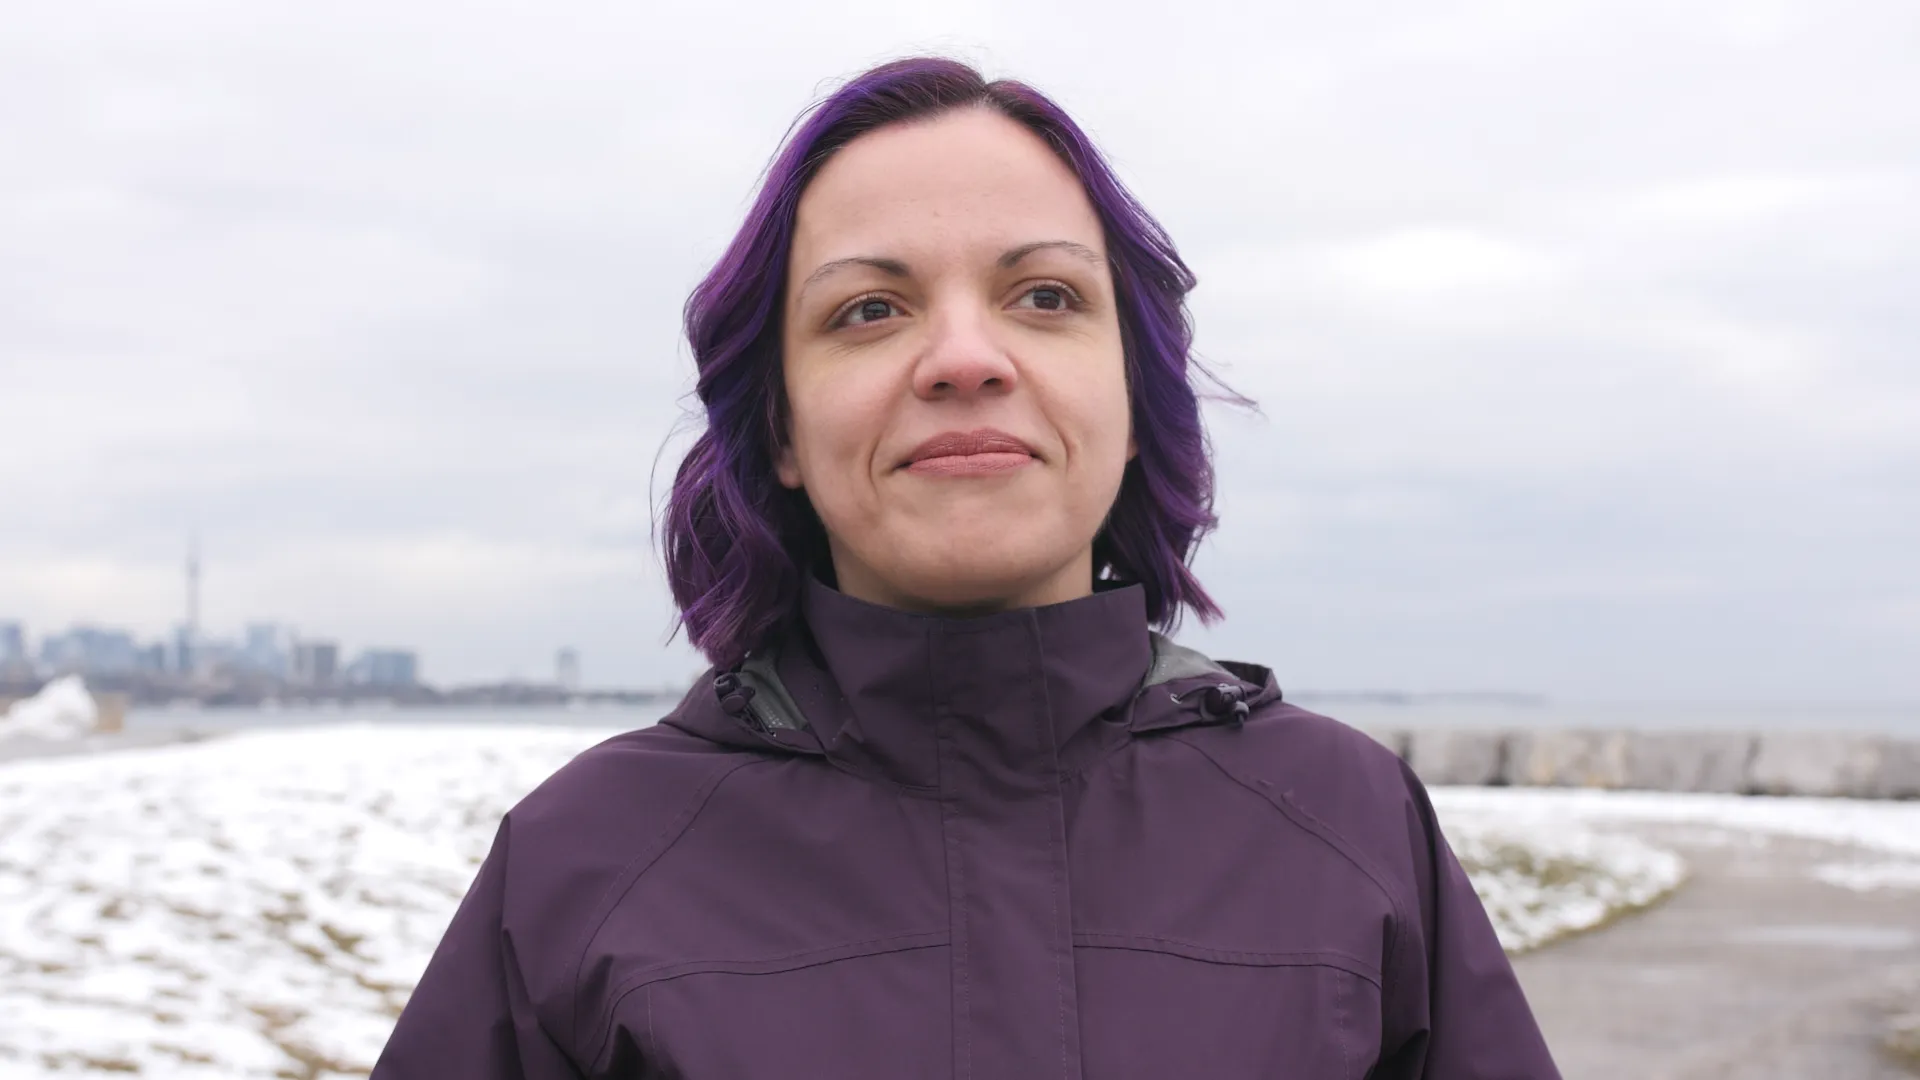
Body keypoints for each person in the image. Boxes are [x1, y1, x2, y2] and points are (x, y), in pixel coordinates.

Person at [373, 56, 1561, 1079]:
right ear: (780, 429)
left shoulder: (1347, 823)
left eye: (1044, 296)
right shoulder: (588, 859)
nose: (963, 357)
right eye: (869, 310)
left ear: (1134, 400)